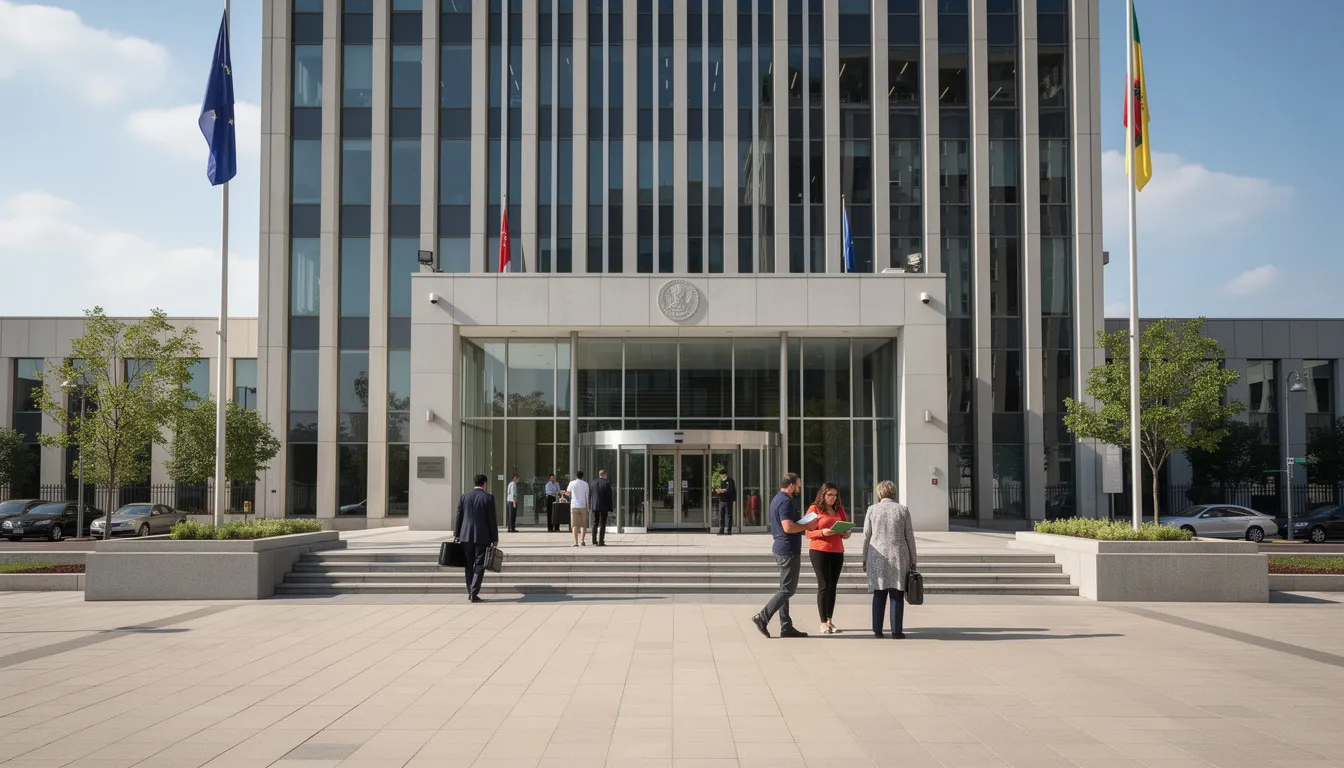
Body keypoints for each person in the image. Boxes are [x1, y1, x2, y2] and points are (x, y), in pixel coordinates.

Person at [750, 473, 811, 638]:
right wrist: (807, 525)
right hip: (787, 550)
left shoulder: (777, 499)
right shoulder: (785, 502)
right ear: (791, 485)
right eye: (798, 485)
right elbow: (788, 527)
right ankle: (762, 617)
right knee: (787, 590)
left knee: (784, 588)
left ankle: (786, 626)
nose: (799, 488)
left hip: (782, 548)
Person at [862, 480, 918, 638]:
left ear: (879, 493)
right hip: (898, 555)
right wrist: (914, 557)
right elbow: (909, 536)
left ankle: (877, 630)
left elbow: (866, 535)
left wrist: (864, 557)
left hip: (877, 555)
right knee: (896, 592)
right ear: (894, 492)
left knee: (878, 593)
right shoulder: (902, 510)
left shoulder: (872, 510)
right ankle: (896, 631)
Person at [806, 482, 851, 634]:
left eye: (835, 495)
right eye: (829, 495)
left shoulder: (840, 509)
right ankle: (822, 622)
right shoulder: (814, 509)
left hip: (837, 550)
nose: (832, 498)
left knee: (832, 587)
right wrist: (822, 533)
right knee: (824, 585)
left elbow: (846, 527)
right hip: (820, 550)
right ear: (823, 494)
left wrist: (846, 533)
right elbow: (807, 532)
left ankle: (830, 620)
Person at [454, 474, 499, 603]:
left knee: (468, 564)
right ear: (485, 483)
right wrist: (495, 538)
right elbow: (492, 520)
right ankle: (474, 592)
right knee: (480, 564)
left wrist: (457, 534)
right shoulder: (488, 498)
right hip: (482, 536)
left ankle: (470, 591)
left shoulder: (464, 497)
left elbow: (459, 517)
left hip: (465, 536)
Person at [565, 470, 591, 547]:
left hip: (574, 506)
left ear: (576, 476)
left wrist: (565, 493)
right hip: (583, 505)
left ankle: (575, 542)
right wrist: (588, 505)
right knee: (583, 525)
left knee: (574, 525)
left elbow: (568, 493)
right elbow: (587, 495)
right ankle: (582, 540)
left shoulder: (572, 483)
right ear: (582, 476)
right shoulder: (585, 484)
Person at [590, 469, 614, 546]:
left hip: (595, 505)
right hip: (604, 506)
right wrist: (610, 507)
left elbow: (590, 494)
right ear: (604, 474)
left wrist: (590, 504)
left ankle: (594, 540)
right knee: (602, 523)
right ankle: (601, 541)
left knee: (595, 523)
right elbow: (609, 496)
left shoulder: (593, 482)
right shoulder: (607, 483)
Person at [714, 471, 737, 535]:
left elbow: (731, 490)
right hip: (722, 500)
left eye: (721, 475)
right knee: (721, 516)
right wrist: (718, 491)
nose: (721, 476)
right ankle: (721, 530)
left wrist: (724, 490)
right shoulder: (720, 481)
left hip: (728, 500)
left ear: (725, 474)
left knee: (729, 515)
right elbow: (717, 488)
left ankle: (729, 530)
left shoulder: (730, 480)